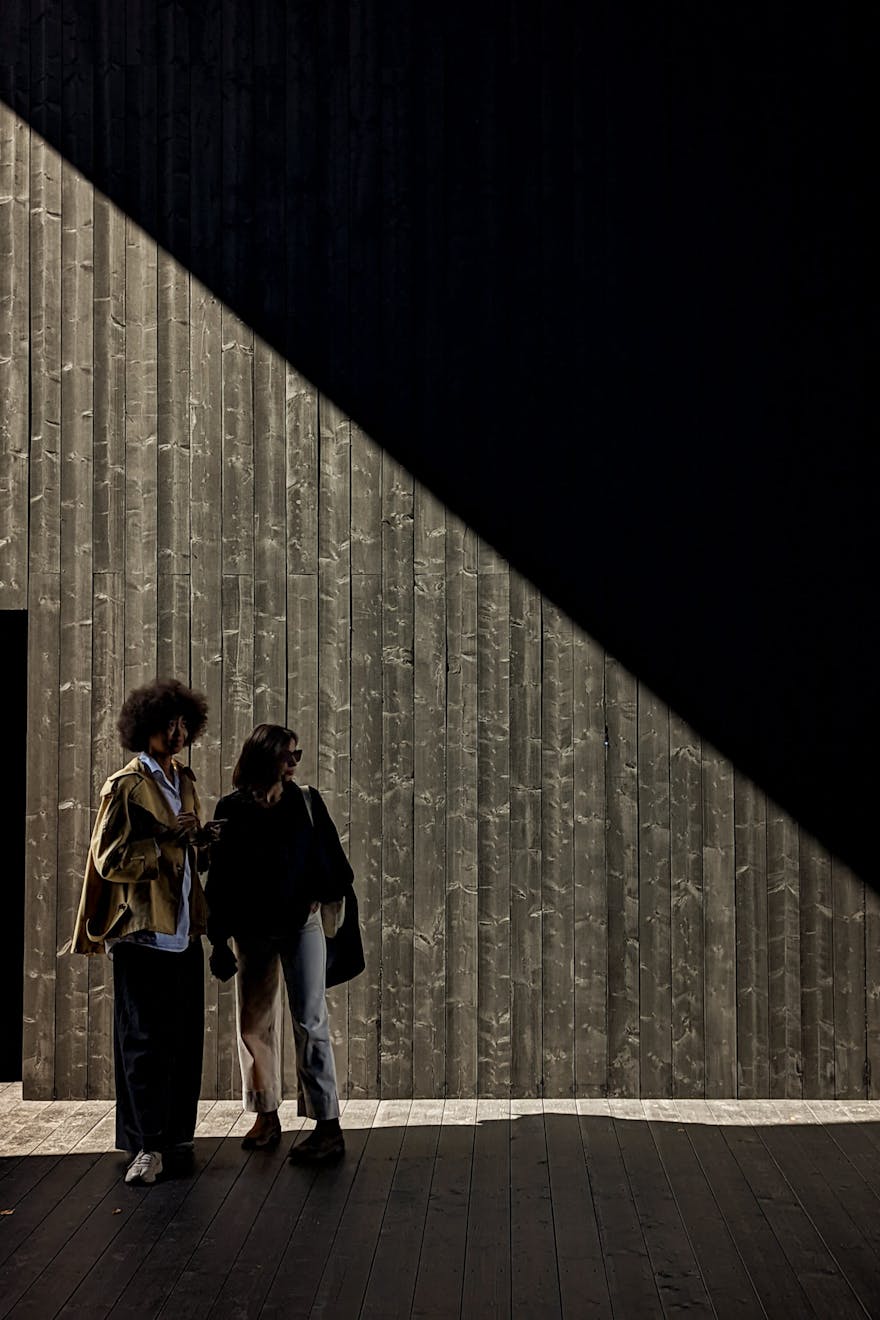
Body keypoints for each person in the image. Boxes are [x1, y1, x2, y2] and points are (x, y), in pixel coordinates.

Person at [70, 678, 220, 1187]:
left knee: (183, 1042)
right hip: (142, 934)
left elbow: (187, 855)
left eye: (183, 724)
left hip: (184, 930)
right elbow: (108, 858)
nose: (177, 733)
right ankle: (146, 1146)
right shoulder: (126, 785)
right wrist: (164, 845)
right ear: (144, 728)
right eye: (167, 724)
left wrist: (202, 842)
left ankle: (175, 1138)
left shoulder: (184, 779)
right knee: (143, 1044)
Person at [205, 723, 356, 1163]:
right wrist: (218, 939)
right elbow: (222, 877)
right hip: (252, 930)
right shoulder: (231, 808)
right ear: (264, 757)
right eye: (287, 754)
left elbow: (332, 861)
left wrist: (318, 894)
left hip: (300, 925)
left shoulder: (305, 801)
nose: (293, 762)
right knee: (253, 1024)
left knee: (310, 1020)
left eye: (296, 754)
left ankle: (327, 1125)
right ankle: (265, 1115)